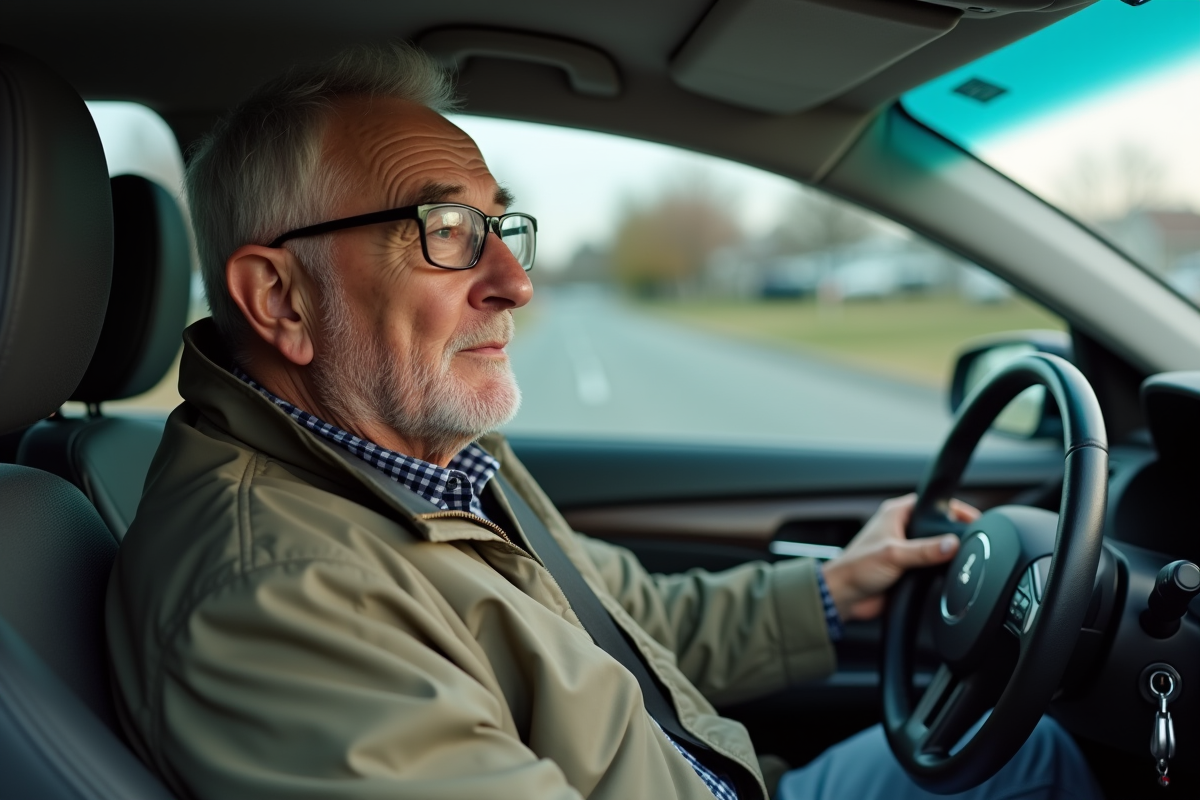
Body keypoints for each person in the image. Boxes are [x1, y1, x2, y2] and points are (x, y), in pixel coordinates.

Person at [105, 43, 1101, 800]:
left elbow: (625, 622)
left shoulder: (432, 456)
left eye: (503, 225)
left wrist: (837, 592)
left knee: (1034, 747)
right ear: (279, 299)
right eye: (447, 233)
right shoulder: (271, 601)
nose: (517, 282)